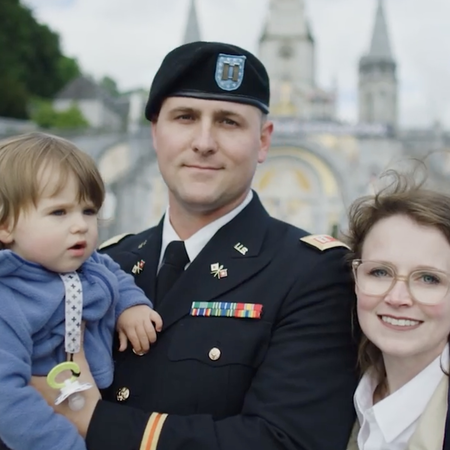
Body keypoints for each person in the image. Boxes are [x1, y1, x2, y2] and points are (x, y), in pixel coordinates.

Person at [34, 41, 358, 450]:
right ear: (155, 133)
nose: (204, 142)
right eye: (185, 117)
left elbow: (287, 441)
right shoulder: (104, 261)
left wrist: (94, 420)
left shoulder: (314, 272)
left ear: (263, 141)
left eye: (228, 122)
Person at [0, 133, 162, 450]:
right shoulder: (9, 298)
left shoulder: (87, 263)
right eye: (59, 212)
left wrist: (130, 307)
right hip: (37, 431)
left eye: (88, 211)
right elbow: (6, 396)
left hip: (94, 404)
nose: (80, 226)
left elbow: (112, 273)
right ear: (5, 225)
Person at [345, 170, 450, 450]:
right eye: (380, 272)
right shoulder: (339, 392)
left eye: (429, 278)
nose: (397, 297)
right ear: (355, 280)